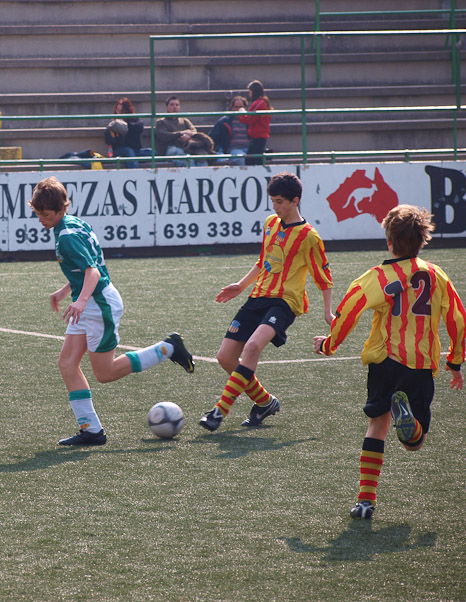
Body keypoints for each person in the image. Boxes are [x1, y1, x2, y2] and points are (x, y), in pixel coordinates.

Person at [312, 205, 465, 520]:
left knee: (376, 423)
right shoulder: (437, 275)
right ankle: (409, 423)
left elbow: (348, 310)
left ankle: (366, 501)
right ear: (423, 240)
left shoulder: (378, 277)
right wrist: (455, 361)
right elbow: (458, 320)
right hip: (420, 365)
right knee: (414, 444)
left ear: (389, 241)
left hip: (385, 362)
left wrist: (329, 344)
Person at [29, 176, 195, 446]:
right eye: (37, 214)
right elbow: (84, 269)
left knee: (104, 374)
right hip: (89, 301)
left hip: (98, 305)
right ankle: (91, 430)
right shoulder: (72, 224)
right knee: (67, 364)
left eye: (45, 214)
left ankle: (168, 348)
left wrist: (80, 301)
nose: (41, 219)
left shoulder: (68, 236)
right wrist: (66, 291)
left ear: (61, 209)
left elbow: (92, 272)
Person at [199, 172, 334, 432]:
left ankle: (218, 412)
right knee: (225, 357)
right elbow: (263, 261)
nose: (276, 207)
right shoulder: (271, 223)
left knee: (251, 348)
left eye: (280, 202)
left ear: (295, 201)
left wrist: (328, 312)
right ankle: (264, 402)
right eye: (273, 201)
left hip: (285, 302)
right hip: (258, 297)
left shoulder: (309, 236)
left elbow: (323, 276)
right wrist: (240, 285)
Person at [154, 96, 214, 167]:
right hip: (171, 148)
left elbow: (193, 131)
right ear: (167, 107)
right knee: (187, 160)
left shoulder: (184, 120)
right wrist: (181, 134)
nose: (174, 107)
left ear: (179, 107)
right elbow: (163, 135)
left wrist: (188, 136)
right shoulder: (161, 122)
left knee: (202, 160)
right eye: (172, 105)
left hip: (187, 147)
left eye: (177, 105)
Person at [104, 97, 152, 169]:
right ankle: (135, 174)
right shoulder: (113, 124)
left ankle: (131, 159)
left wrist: (125, 124)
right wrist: (115, 132)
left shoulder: (135, 120)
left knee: (151, 152)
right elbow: (108, 140)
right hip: (120, 150)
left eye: (121, 111)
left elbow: (140, 127)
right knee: (128, 151)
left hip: (136, 150)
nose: (119, 113)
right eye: (117, 111)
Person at [208, 95, 250, 166]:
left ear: (245, 108)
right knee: (241, 158)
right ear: (232, 108)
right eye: (236, 107)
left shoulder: (250, 120)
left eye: (240, 107)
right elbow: (212, 136)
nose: (238, 109)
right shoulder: (224, 121)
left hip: (250, 149)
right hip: (234, 150)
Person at [238, 80, 272, 166]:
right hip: (260, 135)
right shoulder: (264, 102)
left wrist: (241, 113)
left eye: (250, 91)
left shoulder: (258, 103)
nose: (249, 94)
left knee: (253, 160)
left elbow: (249, 119)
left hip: (258, 135)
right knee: (254, 159)